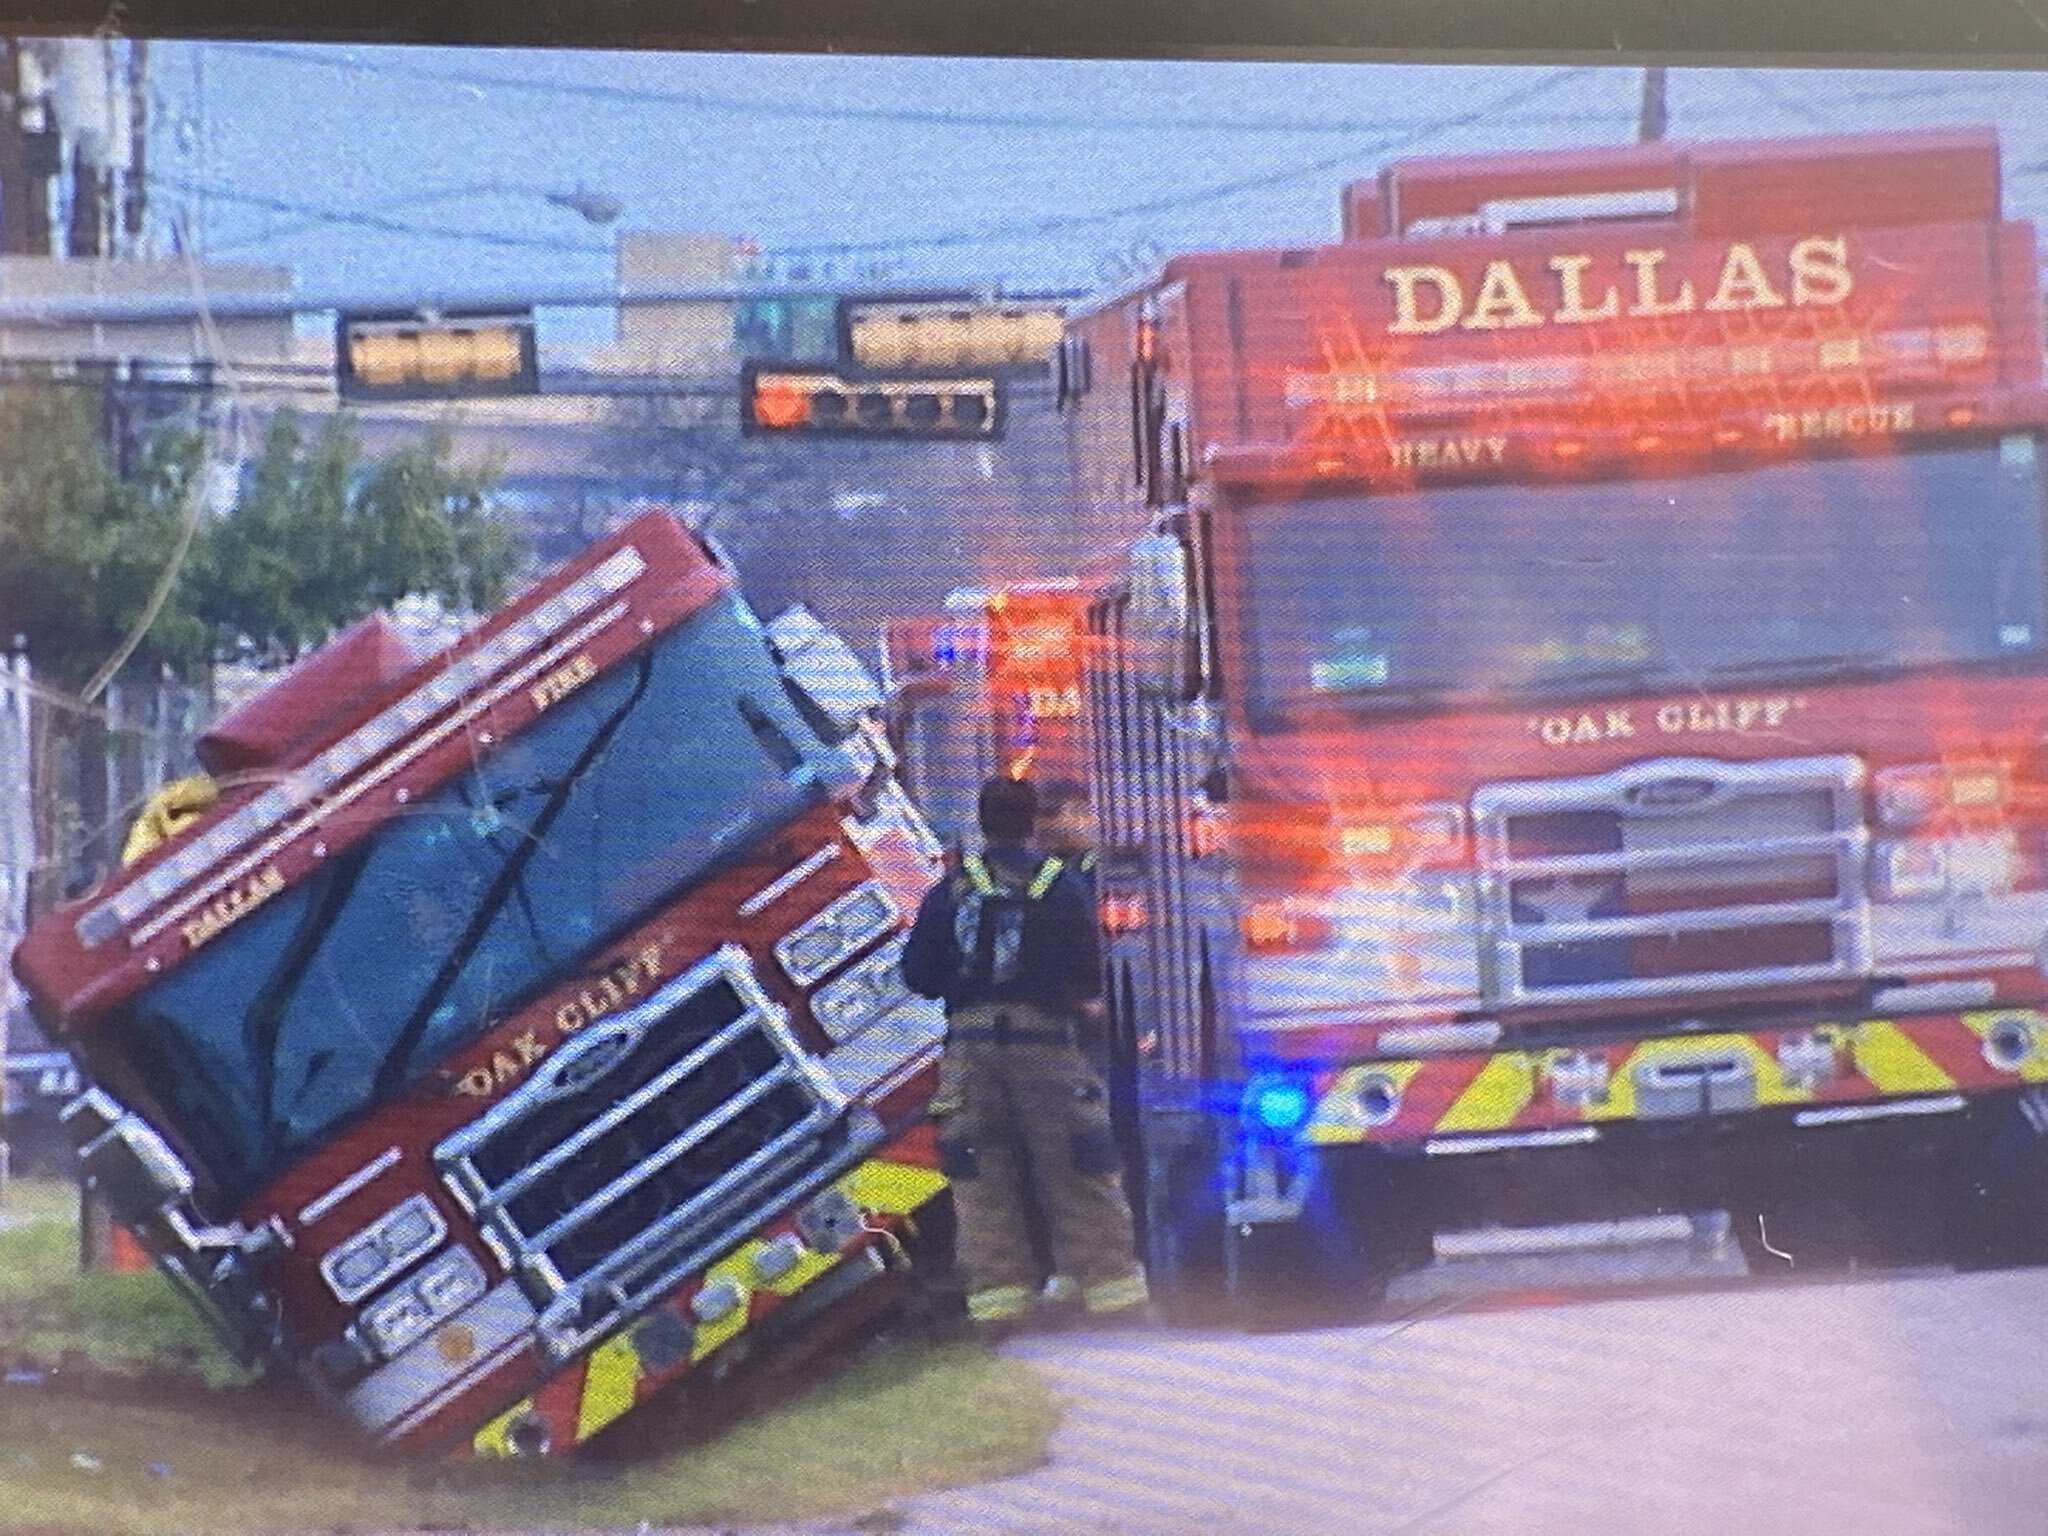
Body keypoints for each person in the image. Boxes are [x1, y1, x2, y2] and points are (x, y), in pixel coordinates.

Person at [900, 775, 1150, 1334]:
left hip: (969, 1051)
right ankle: (1114, 1295)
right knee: (1080, 1165)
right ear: (1033, 822)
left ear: (981, 822)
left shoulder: (951, 890)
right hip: (1045, 1049)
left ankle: (1001, 1308)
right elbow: (1090, 972)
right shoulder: (1060, 887)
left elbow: (916, 974)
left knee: (981, 1177)